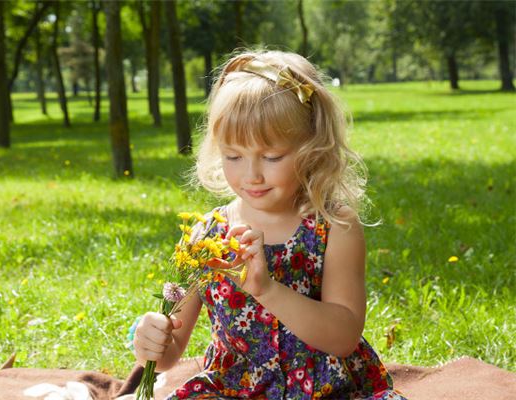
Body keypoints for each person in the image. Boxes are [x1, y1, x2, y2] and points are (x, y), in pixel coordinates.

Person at [127, 50, 407, 399]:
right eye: (233, 156)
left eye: (272, 156)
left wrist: (267, 290)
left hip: (324, 391)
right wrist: (150, 339)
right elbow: (170, 352)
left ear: (313, 148)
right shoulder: (206, 237)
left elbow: (344, 337)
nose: (252, 174)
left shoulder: (333, 226)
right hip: (234, 391)